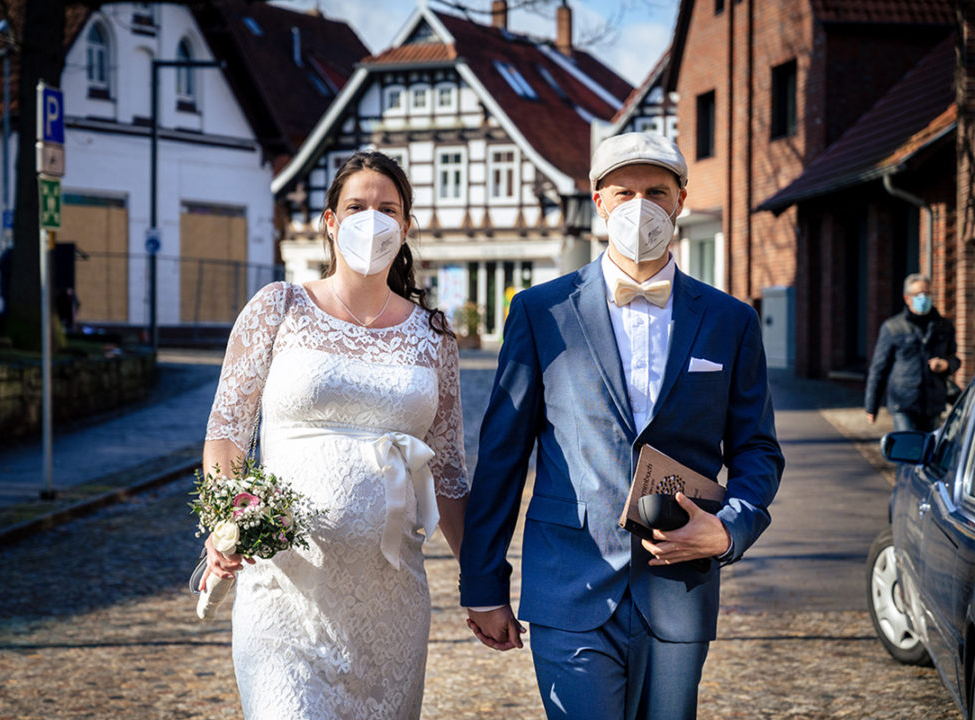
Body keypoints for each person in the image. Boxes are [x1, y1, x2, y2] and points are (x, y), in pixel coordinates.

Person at [458, 132, 784, 719]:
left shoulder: (731, 320)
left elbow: (758, 448)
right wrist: (483, 584)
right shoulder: (541, 311)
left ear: (681, 200)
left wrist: (730, 529)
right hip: (569, 580)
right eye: (624, 191)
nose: (641, 206)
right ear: (599, 199)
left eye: (656, 191)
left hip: (681, 583)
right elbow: (502, 456)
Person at [199, 151, 469, 719]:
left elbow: (447, 473)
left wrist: (482, 581)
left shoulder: (434, 336)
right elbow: (227, 435)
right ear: (329, 220)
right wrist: (230, 518)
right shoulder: (280, 307)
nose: (372, 220)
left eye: (387, 209)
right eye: (356, 206)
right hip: (286, 593)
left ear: (406, 226)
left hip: (390, 603)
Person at [865, 273, 960, 431]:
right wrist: (871, 406)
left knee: (930, 452)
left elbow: (955, 359)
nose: (923, 298)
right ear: (907, 298)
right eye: (918, 294)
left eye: (927, 293)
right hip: (904, 402)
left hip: (934, 402)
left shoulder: (943, 326)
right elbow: (879, 369)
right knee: (908, 449)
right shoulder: (893, 327)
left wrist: (946, 364)